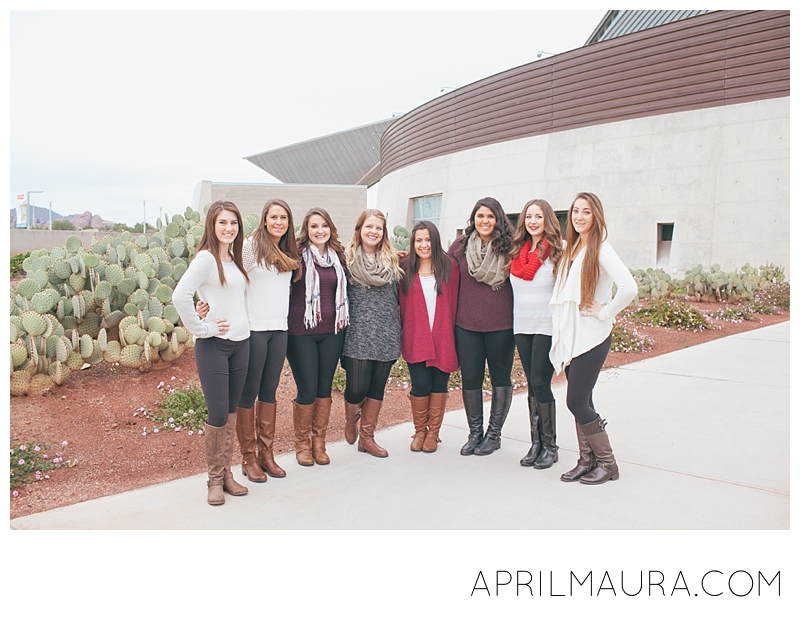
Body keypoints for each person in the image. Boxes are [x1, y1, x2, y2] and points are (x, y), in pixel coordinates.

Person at [549, 192, 636, 485]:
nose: (579, 217)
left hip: (592, 338)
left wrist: (604, 312)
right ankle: (586, 461)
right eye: (575, 211)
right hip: (575, 338)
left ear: (595, 216)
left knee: (576, 401)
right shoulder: (573, 249)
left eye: (586, 212)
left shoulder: (601, 248)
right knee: (582, 399)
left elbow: (629, 287)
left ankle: (608, 464)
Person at [173, 200, 250, 506]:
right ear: (212, 226)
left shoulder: (235, 257)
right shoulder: (206, 259)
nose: (229, 228)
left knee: (232, 412)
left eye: (233, 223)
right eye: (222, 223)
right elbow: (180, 296)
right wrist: (202, 328)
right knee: (218, 414)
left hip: (241, 343)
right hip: (214, 346)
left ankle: (228, 474)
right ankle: (214, 480)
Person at [232, 199, 300, 481]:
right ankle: (248, 459)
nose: (279, 223)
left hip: (279, 330)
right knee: (249, 394)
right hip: (254, 330)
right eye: (274, 217)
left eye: (283, 218)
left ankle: (266, 455)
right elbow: (232, 279)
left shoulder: (288, 249)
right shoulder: (250, 247)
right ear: (264, 219)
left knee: (269, 392)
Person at [449, 197, 516, 456]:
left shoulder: (511, 247)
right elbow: (438, 267)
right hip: (466, 326)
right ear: (473, 219)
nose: (485, 221)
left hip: (501, 326)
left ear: (498, 219)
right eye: (480, 216)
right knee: (471, 380)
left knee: (500, 379)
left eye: (490, 216)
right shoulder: (461, 245)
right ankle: (475, 433)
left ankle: (494, 434)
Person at [285, 207, 349, 466]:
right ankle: (302, 445)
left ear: (330, 228)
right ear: (306, 230)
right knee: (307, 388)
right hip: (301, 333)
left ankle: (318, 443)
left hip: (333, 332)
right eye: (314, 226)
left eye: (324, 225)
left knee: (324, 388)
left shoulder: (338, 257)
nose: (319, 230)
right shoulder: (295, 257)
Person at [341, 209, 403, 458]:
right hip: (357, 333)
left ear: (384, 232)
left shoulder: (394, 261)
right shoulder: (346, 261)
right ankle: (350, 418)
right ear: (360, 229)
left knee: (377, 388)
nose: (373, 232)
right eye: (369, 226)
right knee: (356, 388)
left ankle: (367, 437)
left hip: (387, 332)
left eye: (378, 228)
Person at [509, 199, 564, 469]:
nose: (532, 221)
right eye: (528, 216)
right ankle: (536, 444)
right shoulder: (517, 251)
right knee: (531, 383)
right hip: (522, 325)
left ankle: (551, 447)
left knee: (541, 382)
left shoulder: (558, 250)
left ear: (547, 220)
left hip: (546, 324)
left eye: (538, 217)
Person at [399, 221, 460, 453]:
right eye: (418, 240)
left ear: (435, 241)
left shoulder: (450, 267)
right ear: (413, 243)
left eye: (427, 240)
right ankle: (420, 430)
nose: (423, 245)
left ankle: (433, 433)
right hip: (417, 336)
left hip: (443, 335)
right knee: (421, 384)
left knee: (439, 385)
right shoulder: (405, 268)